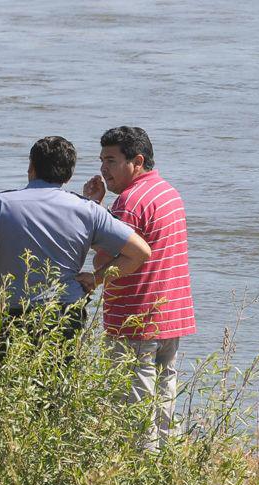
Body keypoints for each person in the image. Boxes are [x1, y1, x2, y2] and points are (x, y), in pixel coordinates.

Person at [0, 136, 151, 385]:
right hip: (64, 318)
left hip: (14, 318)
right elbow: (140, 253)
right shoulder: (88, 210)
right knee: (53, 396)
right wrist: (96, 279)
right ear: (69, 175)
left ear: (31, 167)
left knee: (0, 394)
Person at [82, 126, 196, 450]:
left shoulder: (129, 203)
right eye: (102, 160)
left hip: (135, 317)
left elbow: (108, 256)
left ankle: (138, 474)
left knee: (134, 403)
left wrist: (96, 277)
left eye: (112, 160)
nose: (104, 169)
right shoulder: (167, 192)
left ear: (137, 161)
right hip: (170, 314)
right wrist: (100, 208)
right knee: (164, 397)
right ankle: (165, 468)